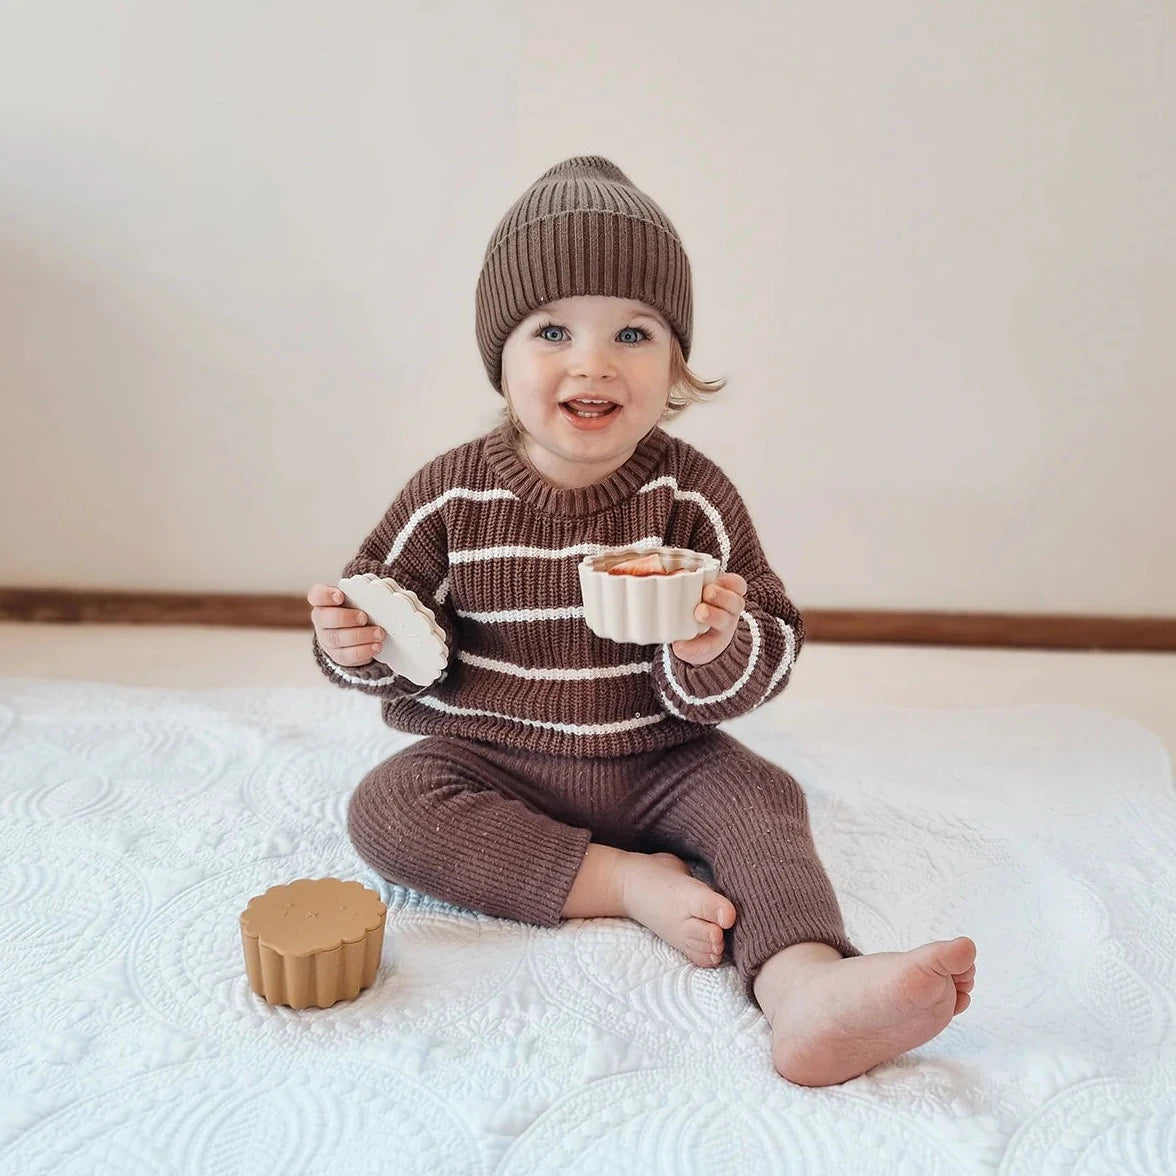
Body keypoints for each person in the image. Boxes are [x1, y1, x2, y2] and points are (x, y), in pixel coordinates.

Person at [307, 155, 976, 1086]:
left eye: (632, 330)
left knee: (763, 803)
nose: (593, 361)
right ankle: (616, 881)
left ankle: (806, 989)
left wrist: (713, 647)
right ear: (499, 359)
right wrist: (356, 642)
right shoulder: (450, 493)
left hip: (662, 757)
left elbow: (772, 640)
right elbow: (388, 626)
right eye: (551, 331)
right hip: (493, 755)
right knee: (387, 808)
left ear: (675, 365)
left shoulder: (688, 494)